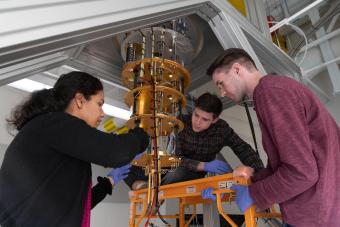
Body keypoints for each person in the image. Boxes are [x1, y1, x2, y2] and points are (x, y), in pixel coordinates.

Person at [203, 48, 340, 226]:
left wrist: (254, 194)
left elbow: (302, 173)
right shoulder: (276, 90)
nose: (221, 93)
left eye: (221, 83)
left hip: (313, 215)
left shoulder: (271, 92)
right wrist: (247, 184)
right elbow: (283, 168)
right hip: (322, 210)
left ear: (237, 69)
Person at [0, 71, 149, 227]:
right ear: (80, 100)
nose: (102, 114)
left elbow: (76, 205)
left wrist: (108, 182)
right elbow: (118, 152)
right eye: (99, 104)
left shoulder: (57, 136)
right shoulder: (56, 124)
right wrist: (141, 134)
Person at [124, 92, 264, 189]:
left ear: (215, 119)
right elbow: (175, 158)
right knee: (124, 162)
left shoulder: (222, 130)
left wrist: (260, 173)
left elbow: (243, 149)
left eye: (205, 119)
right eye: (196, 115)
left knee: (177, 173)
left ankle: (151, 187)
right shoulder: (181, 124)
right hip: (171, 166)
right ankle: (140, 185)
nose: (197, 122)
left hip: (189, 173)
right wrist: (204, 165)